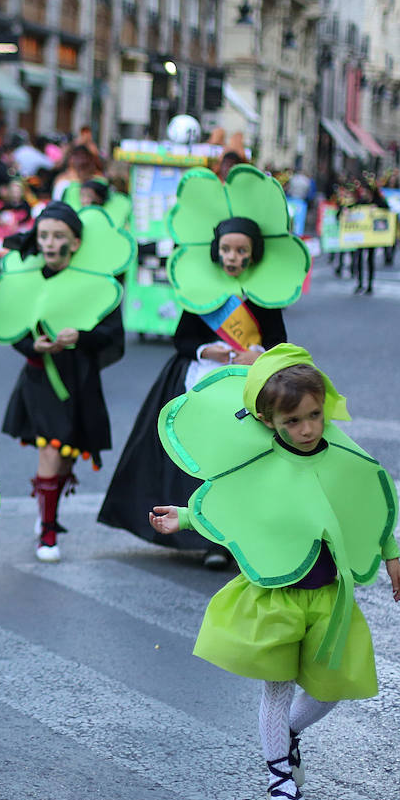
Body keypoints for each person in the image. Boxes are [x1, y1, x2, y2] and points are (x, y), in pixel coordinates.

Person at [149, 345, 400, 800]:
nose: (308, 429)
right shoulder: (259, 464)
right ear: (268, 421)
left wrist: (388, 552)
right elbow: (232, 504)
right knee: (277, 688)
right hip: (276, 593)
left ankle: (283, 737)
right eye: (293, 421)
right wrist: (184, 518)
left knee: (331, 688)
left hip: (330, 596)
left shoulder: (342, 454)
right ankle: (279, 777)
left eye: (314, 415)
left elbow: (365, 499)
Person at [98, 165, 308, 568]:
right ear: (216, 251)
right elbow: (183, 339)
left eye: (241, 251)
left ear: (253, 253)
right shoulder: (202, 290)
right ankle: (206, 535)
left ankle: (235, 539)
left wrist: (259, 353)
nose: (233, 257)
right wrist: (206, 351)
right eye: (227, 250)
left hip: (248, 385)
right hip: (201, 380)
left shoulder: (264, 297)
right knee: (193, 456)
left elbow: (281, 343)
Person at [0, 202, 130, 561]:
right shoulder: (25, 278)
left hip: (79, 379)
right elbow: (12, 325)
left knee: (67, 454)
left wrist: (79, 336)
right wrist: (30, 345)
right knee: (50, 447)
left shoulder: (97, 284)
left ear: (76, 243)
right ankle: (48, 531)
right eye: (44, 236)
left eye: (59, 236)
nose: (50, 243)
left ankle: (47, 510)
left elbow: (113, 335)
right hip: (39, 378)